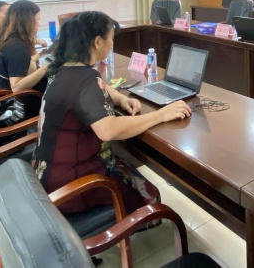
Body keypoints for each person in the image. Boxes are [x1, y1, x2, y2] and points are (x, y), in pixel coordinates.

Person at [32, 11, 191, 215]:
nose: (112, 43)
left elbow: (102, 87)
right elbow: (109, 130)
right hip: (73, 187)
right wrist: (160, 115)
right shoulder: (86, 80)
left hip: (49, 174)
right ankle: (129, 228)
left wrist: (122, 99)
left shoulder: (64, 69)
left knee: (126, 162)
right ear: (98, 42)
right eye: (111, 39)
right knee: (149, 193)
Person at [0, 0, 49, 117]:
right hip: (2, 110)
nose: (39, 24)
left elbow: (27, 72)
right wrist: (46, 68)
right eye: (37, 20)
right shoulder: (16, 47)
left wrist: (32, 59)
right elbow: (17, 87)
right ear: (27, 22)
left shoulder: (4, 38)